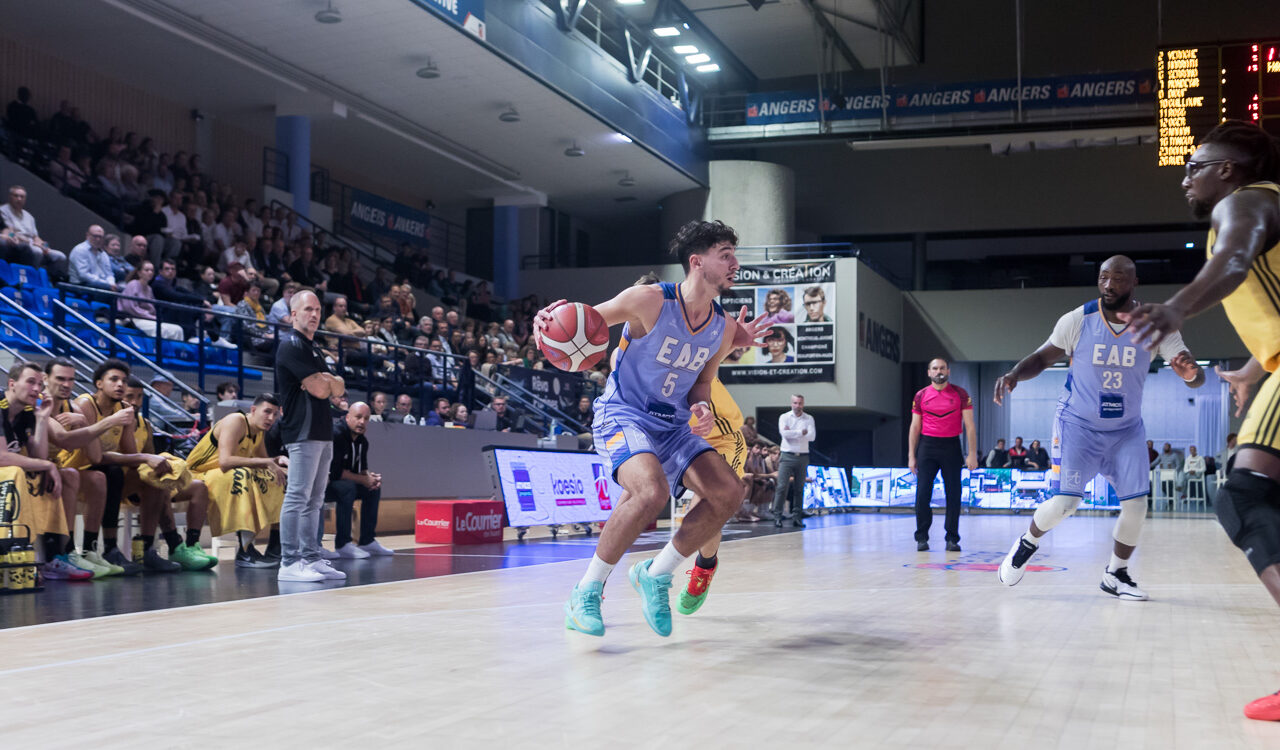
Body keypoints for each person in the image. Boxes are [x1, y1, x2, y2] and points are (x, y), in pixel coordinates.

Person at [1121, 121, 1280, 719]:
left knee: (1244, 497)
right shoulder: (1265, 205)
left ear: (1228, 170)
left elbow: (1235, 260)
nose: (1184, 176)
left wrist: (1175, 308)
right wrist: (1248, 369)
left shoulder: (1245, 203)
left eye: (1195, 165)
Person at [539, 219, 764, 638]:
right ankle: (586, 592)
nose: (735, 263)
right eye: (726, 254)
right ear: (697, 262)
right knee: (650, 492)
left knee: (729, 493)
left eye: (735, 254)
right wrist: (547, 322)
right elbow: (584, 320)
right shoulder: (648, 300)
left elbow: (701, 384)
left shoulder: (722, 327)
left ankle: (656, 574)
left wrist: (701, 410)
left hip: (673, 426)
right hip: (624, 413)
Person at [995, 255, 1204, 600]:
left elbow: (1193, 373)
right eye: (1104, 277)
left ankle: (1116, 574)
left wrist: (1192, 375)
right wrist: (1015, 373)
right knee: (1065, 504)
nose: (1109, 285)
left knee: (1137, 506)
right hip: (1078, 425)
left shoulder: (1156, 326)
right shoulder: (1079, 319)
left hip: (1126, 430)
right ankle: (1027, 543)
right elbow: (1043, 356)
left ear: (1134, 283)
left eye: (1118, 279)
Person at [275, 290, 346, 583]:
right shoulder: (291, 346)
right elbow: (321, 390)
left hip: (322, 430)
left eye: (317, 309)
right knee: (298, 496)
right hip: (302, 431)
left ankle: (312, 557)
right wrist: (325, 382)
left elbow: (338, 387)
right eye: (308, 309)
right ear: (294, 314)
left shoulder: (313, 348)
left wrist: (327, 381)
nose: (314, 314)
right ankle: (290, 562)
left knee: (316, 499)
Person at [119, 378, 218, 571]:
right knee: (156, 485)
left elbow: (150, 456)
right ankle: (172, 545)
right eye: (130, 396)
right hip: (124, 482)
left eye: (139, 396)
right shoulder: (116, 423)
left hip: (143, 479)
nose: (135, 401)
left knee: (199, 487)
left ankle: (191, 545)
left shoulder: (144, 423)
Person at [185, 394, 288, 568]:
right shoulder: (236, 421)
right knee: (244, 475)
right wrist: (267, 462)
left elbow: (265, 462)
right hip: (198, 474)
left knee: (277, 478)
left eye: (275, 414)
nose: (271, 418)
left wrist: (280, 461)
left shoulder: (258, 432)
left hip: (222, 475)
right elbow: (225, 462)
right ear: (253, 410)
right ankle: (245, 550)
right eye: (267, 412)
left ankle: (276, 547)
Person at [909, 358, 978, 551]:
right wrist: (911, 456)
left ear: (948, 371)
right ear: (929, 372)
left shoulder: (960, 394)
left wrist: (972, 453)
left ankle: (952, 538)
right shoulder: (921, 395)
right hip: (927, 446)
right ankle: (921, 537)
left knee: (954, 494)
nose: (939, 371)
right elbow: (915, 427)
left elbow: (970, 426)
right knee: (922, 494)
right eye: (934, 368)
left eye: (942, 368)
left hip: (951, 446)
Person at [321, 402, 393, 559]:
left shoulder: (362, 441)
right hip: (324, 485)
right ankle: (343, 544)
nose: (362, 422)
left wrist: (371, 478)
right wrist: (363, 479)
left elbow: (361, 469)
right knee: (348, 488)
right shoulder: (336, 434)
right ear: (347, 417)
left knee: (372, 488)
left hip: (342, 482)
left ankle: (367, 540)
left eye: (366, 418)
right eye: (358, 417)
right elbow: (335, 473)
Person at [770, 394, 814, 528]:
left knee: (799, 488)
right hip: (787, 455)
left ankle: (797, 517)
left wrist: (793, 432)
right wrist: (802, 432)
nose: (798, 406)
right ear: (791, 404)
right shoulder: (784, 417)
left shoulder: (809, 418)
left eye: (800, 403)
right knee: (782, 487)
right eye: (795, 403)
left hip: (803, 456)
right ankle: (777, 516)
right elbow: (785, 435)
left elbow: (812, 437)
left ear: (803, 404)